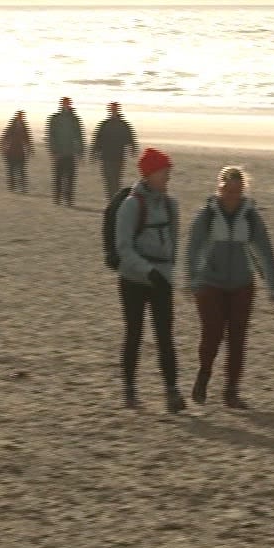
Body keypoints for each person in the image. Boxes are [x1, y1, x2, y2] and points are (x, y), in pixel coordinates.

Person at [183, 166, 274, 409]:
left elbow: (265, 251)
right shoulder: (206, 214)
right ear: (219, 188)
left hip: (241, 285)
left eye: (237, 191)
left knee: (237, 340)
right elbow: (192, 249)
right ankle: (204, 375)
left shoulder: (250, 216)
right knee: (212, 334)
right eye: (227, 190)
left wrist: (273, 286)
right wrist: (192, 280)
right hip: (210, 284)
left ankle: (231, 391)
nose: (232, 196)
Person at [114, 148, 182, 410]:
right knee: (134, 333)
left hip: (161, 279)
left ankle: (172, 392)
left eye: (169, 172)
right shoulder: (131, 205)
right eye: (164, 172)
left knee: (165, 336)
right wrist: (148, 270)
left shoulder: (170, 204)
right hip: (133, 279)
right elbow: (124, 249)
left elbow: (173, 243)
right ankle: (130, 389)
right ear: (149, 173)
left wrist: (166, 272)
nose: (168, 177)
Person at [93, 101, 140, 202]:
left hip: (118, 157)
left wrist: (133, 148)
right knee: (108, 180)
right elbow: (97, 139)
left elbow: (130, 138)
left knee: (116, 180)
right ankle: (111, 200)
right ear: (110, 111)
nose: (113, 111)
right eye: (112, 109)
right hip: (106, 157)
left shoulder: (124, 125)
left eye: (115, 109)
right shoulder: (104, 124)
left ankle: (115, 200)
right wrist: (94, 153)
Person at [46, 97, 85, 206]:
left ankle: (69, 199)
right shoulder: (55, 118)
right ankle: (57, 197)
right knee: (58, 176)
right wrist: (53, 151)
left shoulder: (75, 119)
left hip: (70, 153)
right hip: (59, 153)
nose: (66, 105)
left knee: (70, 177)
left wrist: (80, 152)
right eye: (64, 103)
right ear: (61, 105)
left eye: (68, 104)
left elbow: (79, 136)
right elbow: (51, 135)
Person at [0, 110, 35, 194]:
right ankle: (12, 187)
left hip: (20, 152)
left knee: (21, 170)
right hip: (11, 152)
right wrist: (3, 148)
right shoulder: (11, 127)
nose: (21, 118)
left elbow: (27, 139)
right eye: (20, 116)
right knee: (12, 170)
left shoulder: (24, 127)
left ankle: (22, 187)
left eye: (22, 116)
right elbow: (5, 137)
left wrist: (30, 149)